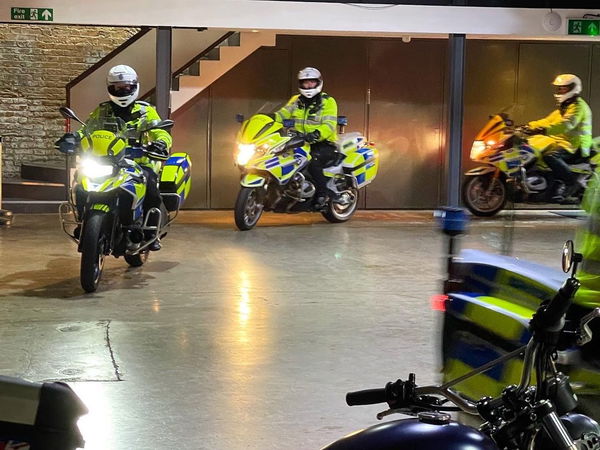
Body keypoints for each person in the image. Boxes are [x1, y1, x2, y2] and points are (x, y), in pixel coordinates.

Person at [57, 65, 171, 251]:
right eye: (118, 87)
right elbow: (87, 129)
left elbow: (160, 131)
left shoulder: (146, 111)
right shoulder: (102, 110)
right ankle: (83, 221)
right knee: (81, 182)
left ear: (135, 86)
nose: (122, 90)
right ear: (110, 88)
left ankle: (151, 231)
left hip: (139, 161)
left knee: (150, 184)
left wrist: (161, 143)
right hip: (106, 160)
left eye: (126, 87)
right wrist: (73, 138)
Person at [274, 67, 338, 208]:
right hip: (299, 141)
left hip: (323, 142)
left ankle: (323, 194)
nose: (308, 86)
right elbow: (281, 115)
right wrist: (268, 119)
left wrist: (316, 134)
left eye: (311, 82)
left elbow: (329, 124)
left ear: (318, 83)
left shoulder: (328, 101)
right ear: (300, 84)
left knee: (312, 161)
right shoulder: (296, 100)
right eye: (305, 83)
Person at [526, 73, 592, 203]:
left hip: (576, 145)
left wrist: (544, 130)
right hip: (565, 143)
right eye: (559, 88)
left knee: (550, 156)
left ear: (573, 88)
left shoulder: (578, 107)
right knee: (537, 151)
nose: (560, 91)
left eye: (563, 88)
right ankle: (548, 189)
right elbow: (548, 120)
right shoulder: (566, 106)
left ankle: (571, 183)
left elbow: (566, 124)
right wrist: (528, 126)